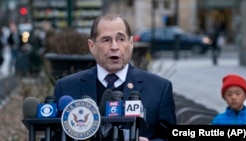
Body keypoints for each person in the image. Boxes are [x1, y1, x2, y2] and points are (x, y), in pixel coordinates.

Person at [54, 13, 176, 141]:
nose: (114, 47)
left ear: (131, 43)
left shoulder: (159, 88)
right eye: (106, 40)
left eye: (121, 39)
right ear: (92, 46)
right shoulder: (66, 88)